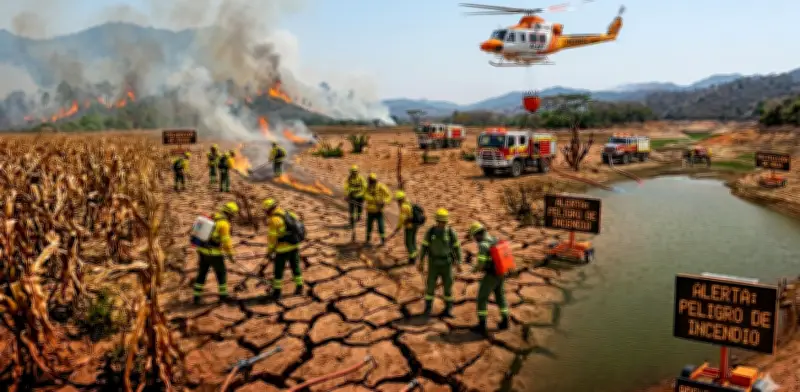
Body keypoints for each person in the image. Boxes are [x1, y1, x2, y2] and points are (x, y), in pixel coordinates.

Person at [418, 208, 462, 318]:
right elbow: (424, 247)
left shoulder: (451, 232)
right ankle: (428, 309)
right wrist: (421, 261)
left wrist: (459, 262)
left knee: (448, 287)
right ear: (436, 221)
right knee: (430, 287)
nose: (442, 224)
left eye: (444, 222)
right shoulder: (430, 232)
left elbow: (457, 248)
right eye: (440, 222)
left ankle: (448, 309)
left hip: (447, 264)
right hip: (433, 263)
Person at [468, 222, 509, 336]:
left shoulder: (483, 245)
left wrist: (474, 270)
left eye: (474, 236)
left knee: (481, 298)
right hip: (501, 273)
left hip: (491, 276)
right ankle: (505, 321)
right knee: (500, 297)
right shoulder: (495, 239)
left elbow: (481, 264)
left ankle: (482, 325)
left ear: (477, 234)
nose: (475, 239)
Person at [194, 202, 239, 304]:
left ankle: (196, 297)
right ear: (231, 214)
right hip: (214, 254)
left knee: (202, 274)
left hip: (202, 252)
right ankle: (223, 296)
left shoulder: (212, 217)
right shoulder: (224, 224)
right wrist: (231, 255)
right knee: (221, 274)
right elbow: (226, 242)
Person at [263, 198, 304, 300]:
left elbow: (272, 239)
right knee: (296, 267)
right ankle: (300, 287)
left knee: (278, 271)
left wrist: (270, 251)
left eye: (265, 210)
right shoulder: (289, 213)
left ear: (269, 209)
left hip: (282, 250)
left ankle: (277, 292)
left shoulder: (274, 220)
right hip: (294, 246)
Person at [390, 191, 418, 264]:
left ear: (400, 200)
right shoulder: (409, 202)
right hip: (415, 225)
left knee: (408, 242)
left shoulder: (403, 207)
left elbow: (401, 219)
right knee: (413, 240)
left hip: (409, 227)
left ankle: (412, 258)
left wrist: (398, 227)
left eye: (398, 200)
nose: (397, 202)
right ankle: (415, 254)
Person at [363, 173, 392, 246]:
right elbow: (365, 196)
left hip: (379, 211)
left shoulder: (380, 186)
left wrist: (384, 201)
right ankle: (367, 241)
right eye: (370, 181)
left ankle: (383, 241)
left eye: (372, 181)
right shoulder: (367, 187)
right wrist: (374, 200)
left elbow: (389, 195)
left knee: (381, 226)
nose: (371, 182)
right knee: (369, 227)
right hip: (370, 211)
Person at [343, 165, 367, 235]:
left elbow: (365, 186)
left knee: (359, 208)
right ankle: (352, 222)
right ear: (351, 172)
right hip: (352, 196)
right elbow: (346, 187)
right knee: (352, 210)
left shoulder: (361, 178)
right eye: (353, 172)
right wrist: (346, 195)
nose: (354, 173)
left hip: (360, 196)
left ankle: (358, 217)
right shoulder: (349, 179)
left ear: (357, 172)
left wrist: (363, 194)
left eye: (355, 171)